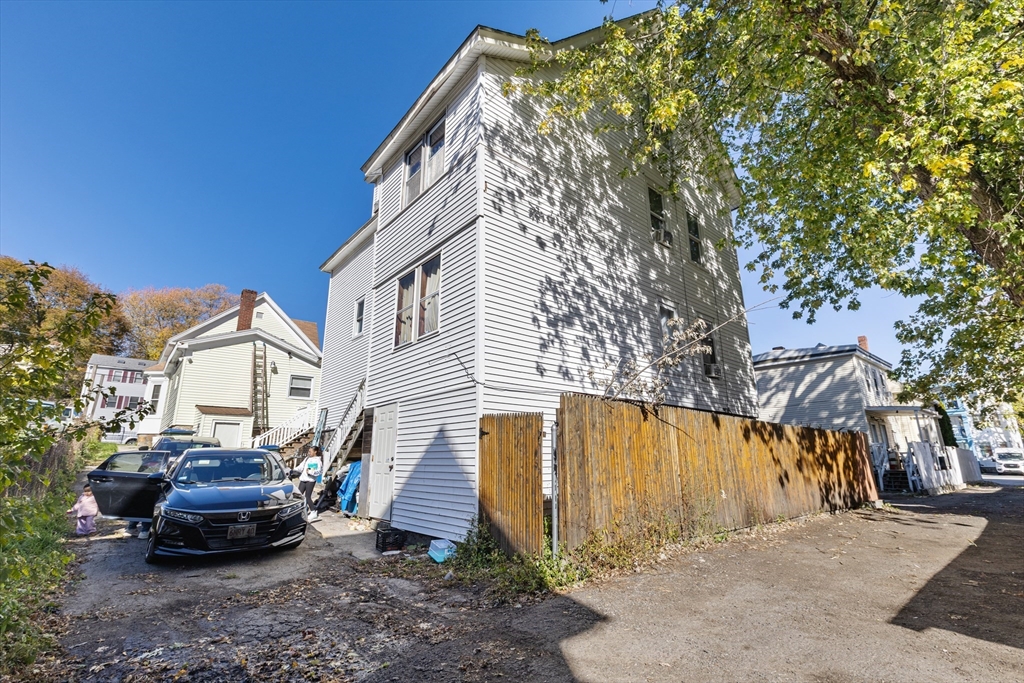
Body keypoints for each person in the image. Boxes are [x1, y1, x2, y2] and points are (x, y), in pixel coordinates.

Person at [298, 446, 323, 521]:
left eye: (310, 451)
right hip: (303, 479)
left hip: (310, 480)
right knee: (298, 495)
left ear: (315, 452)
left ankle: (313, 511)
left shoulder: (318, 461)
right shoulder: (307, 458)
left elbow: (318, 471)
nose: (309, 453)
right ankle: (302, 509)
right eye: (309, 451)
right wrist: (293, 470)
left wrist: (310, 472)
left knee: (307, 496)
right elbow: (301, 466)